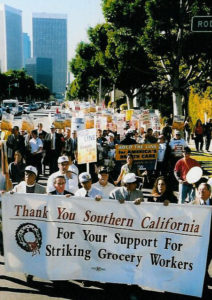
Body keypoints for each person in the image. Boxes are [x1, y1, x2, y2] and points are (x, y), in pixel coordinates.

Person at [191, 183, 212, 293]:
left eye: (203, 190)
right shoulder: (192, 204)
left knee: (207, 261)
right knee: (199, 263)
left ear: (209, 192)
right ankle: (201, 286)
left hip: (210, 241)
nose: (201, 192)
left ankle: (205, 277)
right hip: (197, 241)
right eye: (199, 190)